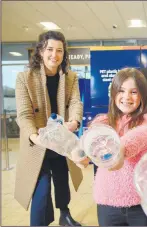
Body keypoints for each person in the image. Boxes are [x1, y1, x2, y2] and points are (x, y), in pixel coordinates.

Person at [77, 68, 147, 226]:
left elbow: (140, 136)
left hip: (142, 204)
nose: (126, 97)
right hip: (108, 204)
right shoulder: (102, 122)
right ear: (114, 93)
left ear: (142, 95)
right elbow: (89, 141)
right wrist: (81, 153)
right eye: (121, 91)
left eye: (134, 92)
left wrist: (119, 150)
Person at [15, 31, 83, 226]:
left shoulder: (70, 77)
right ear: (41, 51)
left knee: (62, 180)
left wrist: (74, 122)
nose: (55, 55)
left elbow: (76, 102)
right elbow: (24, 115)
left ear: (64, 53)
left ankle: (65, 214)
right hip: (37, 142)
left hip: (61, 140)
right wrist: (35, 137)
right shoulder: (24, 78)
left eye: (59, 50)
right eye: (50, 49)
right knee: (41, 190)